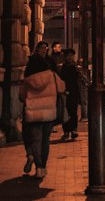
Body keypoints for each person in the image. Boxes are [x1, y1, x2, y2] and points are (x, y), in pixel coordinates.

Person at [20, 49, 65, 181]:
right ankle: (42, 167)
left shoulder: (28, 80)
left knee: (35, 140)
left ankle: (36, 162)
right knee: (45, 141)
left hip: (32, 114)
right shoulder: (51, 75)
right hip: (49, 113)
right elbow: (62, 87)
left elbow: (21, 96)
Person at [56, 48, 83, 141]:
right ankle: (66, 131)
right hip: (64, 92)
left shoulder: (76, 68)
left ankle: (74, 130)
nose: (70, 58)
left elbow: (80, 81)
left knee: (74, 112)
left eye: (72, 56)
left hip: (74, 92)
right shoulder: (61, 68)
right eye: (68, 56)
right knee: (65, 112)